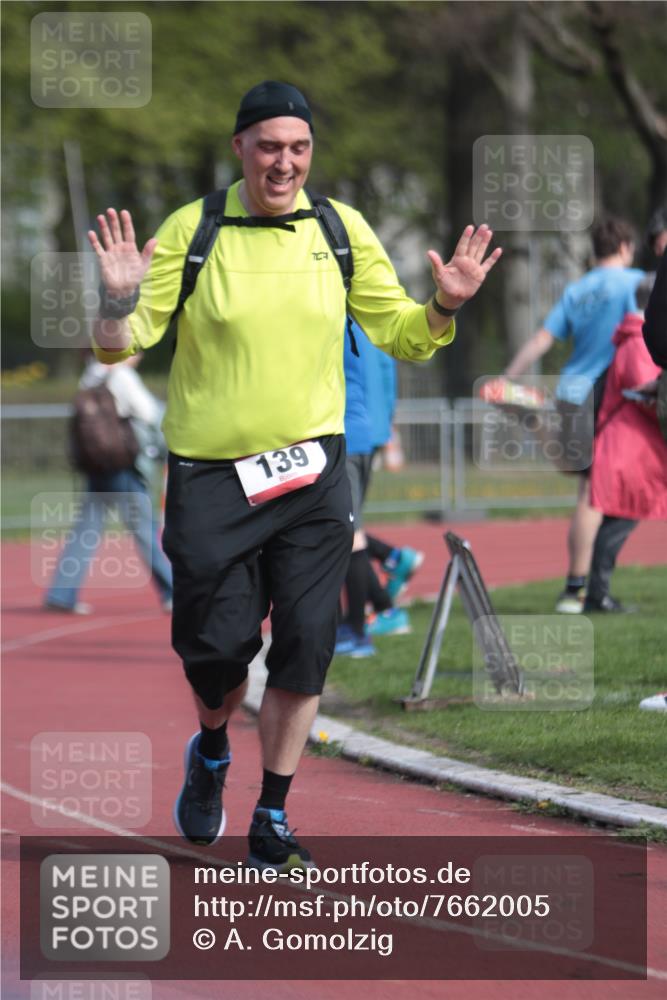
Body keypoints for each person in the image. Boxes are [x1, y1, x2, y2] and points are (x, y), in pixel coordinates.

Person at [87, 81, 501, 868]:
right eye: (269, 146)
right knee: (214, 651)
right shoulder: (195, 229)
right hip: (211, 476)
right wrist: (114, 300)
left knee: (308, 642)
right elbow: (120, 344)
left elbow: (405, 336)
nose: (285, 162)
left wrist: (444, 307)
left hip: (313, 474)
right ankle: (211, 750)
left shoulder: (340, 230)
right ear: (240, 146)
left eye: (299, 148)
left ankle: (271, 815)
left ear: (312, 152)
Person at [484, 218, 644, 614]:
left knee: (574, 470)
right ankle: (574, 590)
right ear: (624, 246)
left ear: (595, 249)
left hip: (571, 390)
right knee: (592, 492)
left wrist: (508, 378)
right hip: (605, 394)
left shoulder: (578, 289)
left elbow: (542, 338)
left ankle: (536, 419)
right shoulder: (635, 283)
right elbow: (643, 334)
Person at [44, 353, 173, 614]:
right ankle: (174, 591)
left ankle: (61, 592)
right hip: (124, 466)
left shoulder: (91, 374)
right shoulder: (122, 376)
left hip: (98, 465)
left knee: (85, 531)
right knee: (145, 532)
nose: (140, 354)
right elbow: (149, 413)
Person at [585, 274, 666, 612]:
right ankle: (597, 594)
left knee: (618, 521)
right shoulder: (637, 341)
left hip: (631, 446)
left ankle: (598, 592)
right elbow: (643, 391)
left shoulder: (634, 337)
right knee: (619, 521)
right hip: (628, 447)